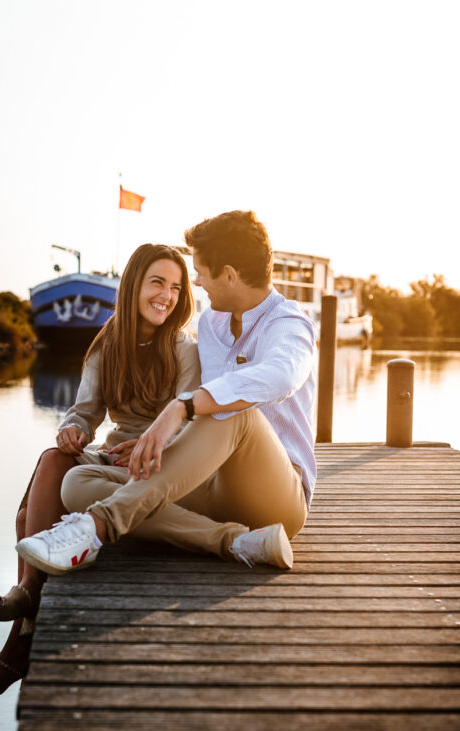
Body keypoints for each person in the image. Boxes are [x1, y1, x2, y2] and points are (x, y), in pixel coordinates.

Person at [16, 210, 316, 578]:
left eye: (201, 272)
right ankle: (235, 541)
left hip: (275, 496)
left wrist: (182, 407)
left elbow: (283, 376)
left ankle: (96, 527)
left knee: (233, 410)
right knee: (78, 484)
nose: (197, 282)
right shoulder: (212, 323)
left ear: (229, 275)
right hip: (210, 484)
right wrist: (153, 440)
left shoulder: (289, 324)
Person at [0, 243, 200, 695]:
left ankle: (16, 645)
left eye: (175, 287)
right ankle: (29, 595)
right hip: (110, 460)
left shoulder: (186, 350)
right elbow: (84, 412)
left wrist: (154, 444)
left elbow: (192, 423)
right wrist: (72, 430)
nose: (166, 295)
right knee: (53, 459)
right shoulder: (107, 344)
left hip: (159, 468)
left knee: (26, 517)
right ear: (132, 287)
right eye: (157, 283)